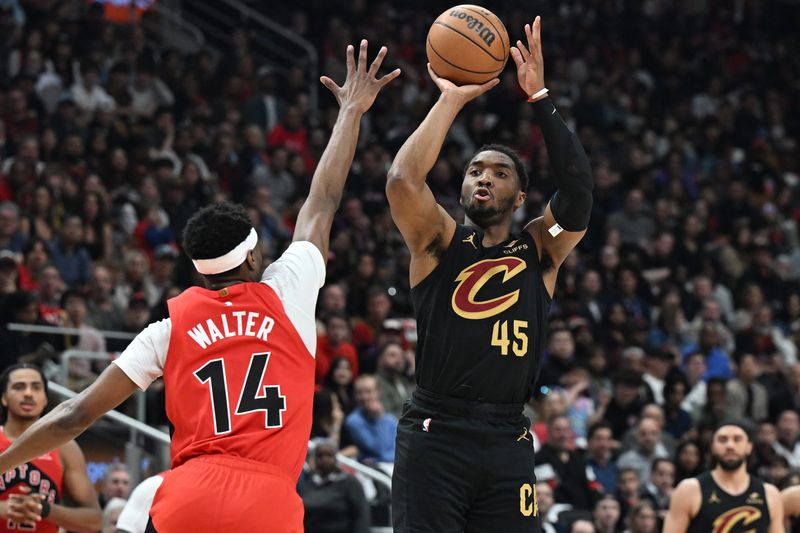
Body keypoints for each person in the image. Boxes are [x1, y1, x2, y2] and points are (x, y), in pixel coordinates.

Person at [0, 41, 400, 533]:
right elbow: (323, 199)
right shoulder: (290, 288)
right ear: (253, 256)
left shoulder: (168, 330)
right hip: (268, 502)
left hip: (189, 497)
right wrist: (351, 112)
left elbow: (73, 414)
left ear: (201, 271)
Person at [387, 16, 593, 532]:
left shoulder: (540, 250)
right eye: (476, 170)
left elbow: (579, 193)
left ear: (520, 198)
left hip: (508, 437)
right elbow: (402, 180)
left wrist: (540, 96)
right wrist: (450, 100)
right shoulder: (439, 241)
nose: (484, 178)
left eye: (499, 174)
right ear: (461, 187)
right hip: (437, 431)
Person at [0, 364, 102, 532]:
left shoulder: (65, 448)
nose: (28, 393)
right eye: (19, 387)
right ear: (4, 398)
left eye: (36, 387)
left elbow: (94, 521)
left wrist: (45, 509)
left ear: (45, 399)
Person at [663, 420, 783, 532]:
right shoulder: (689, 490)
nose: (730, 445)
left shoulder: (769, 494)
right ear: (713, 447)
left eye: (737, 439)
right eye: (722, 440)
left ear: (749, 447)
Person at [299, 439, 370, 533]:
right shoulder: (306, 483)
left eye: (329, 455)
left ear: (335, 458)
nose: (324, 459)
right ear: (314, 459)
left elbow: (361, 515)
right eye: (320, 456)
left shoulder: (350, 482)